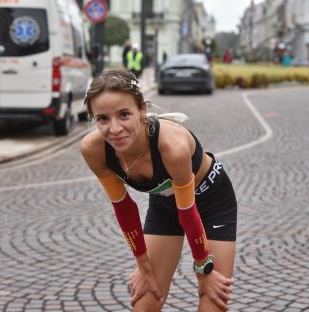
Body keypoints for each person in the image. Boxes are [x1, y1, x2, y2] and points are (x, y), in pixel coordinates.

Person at [80, 69, 237, 311]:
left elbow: (188, 211)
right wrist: (143, 266)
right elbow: (125, 209)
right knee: (145, 301)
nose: (115, 129)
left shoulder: (171, 146)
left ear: (141, 110)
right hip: (165, 205)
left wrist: (203, 268)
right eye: (103, 119)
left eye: (124, 115)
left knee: (212, 302)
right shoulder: (94, 149)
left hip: (211, 201)